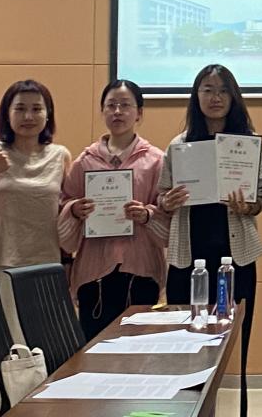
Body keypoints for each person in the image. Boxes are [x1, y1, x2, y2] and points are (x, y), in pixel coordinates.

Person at [157, 64, 262, 417]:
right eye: (207, 89)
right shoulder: (180, 145)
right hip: (188, 259)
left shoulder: (249, 145)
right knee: (186, 344)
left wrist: (250, 205)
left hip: (235, 257)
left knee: (234, 341)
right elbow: (162, 195)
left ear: (234, 97)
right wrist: (167, 201)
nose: (215, 97)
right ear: (196, 96)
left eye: (223, 90)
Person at [0, 79, 70, 408]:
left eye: (37, 108)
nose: (28, 116)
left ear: (48, 114)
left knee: (42, 343)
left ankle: (41, 408)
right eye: (20, 108)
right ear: (7, 114)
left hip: (45, 265)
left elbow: (68, 210)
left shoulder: (61, 156)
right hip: (1, 262)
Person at [58, 79, 166, 340]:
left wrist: (148, 215)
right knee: (95, 348)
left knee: (139, 349)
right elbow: (64, 204)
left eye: (125, 105)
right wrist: (75, 210)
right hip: (94, 272)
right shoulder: (85, 161)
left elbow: (168, 214)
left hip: (141, 271)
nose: (118, 111)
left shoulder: (156, 160)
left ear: (139, 113)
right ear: (102, 111)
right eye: (111, 105)